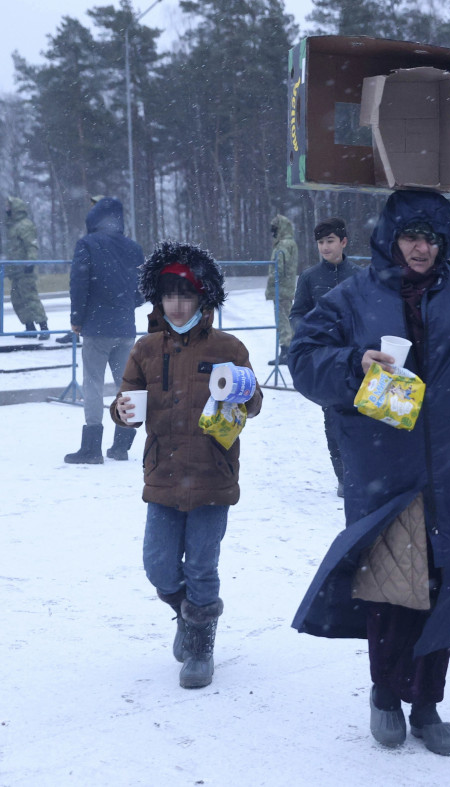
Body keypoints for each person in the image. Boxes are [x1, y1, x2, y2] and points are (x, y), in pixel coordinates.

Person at [288, 159, 450, 756]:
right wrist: (354, 366)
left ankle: (427, 704)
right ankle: (384, 695)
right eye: (410, 236)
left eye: (431, 237)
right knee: (392, 589)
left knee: (448, 584)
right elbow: (303, 359)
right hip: (386, 468)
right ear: (389, 238)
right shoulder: (352, 295)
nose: (421, 249)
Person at [110, 241, 263, 689]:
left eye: (186, 295)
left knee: (201, 565)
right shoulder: (144, 349)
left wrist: (241, 391)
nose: (176, 305)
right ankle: (188, 614)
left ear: (204, 298)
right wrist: (120, 412)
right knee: (158, 565)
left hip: (213, 474)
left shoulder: (228, 346)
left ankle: (200, 646)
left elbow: (254, 404)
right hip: (162, 474)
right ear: (157, 298)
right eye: (168, 295)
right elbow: (124, 401)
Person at [63, 197, 146, 464]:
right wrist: (125, 306)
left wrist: (78, 318)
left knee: (93, 384)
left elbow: (79, 283)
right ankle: (121, 447)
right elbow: (143, 289)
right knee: (126, 386)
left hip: (97, 328)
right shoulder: (133, 248)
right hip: (125, 327)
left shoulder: (87, 244)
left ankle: (91, 449)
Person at [290, 216, 361, 497]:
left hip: (357, 358)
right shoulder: (309, 278)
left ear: (343, 242)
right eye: (320, 242)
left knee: (362, 415)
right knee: (332, 417)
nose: (324, 247)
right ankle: (344, 477)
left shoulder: (359, 275)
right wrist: (308, 332)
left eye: (330, 241)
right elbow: (297, 313)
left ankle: (364, 473)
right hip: (326, 361)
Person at [4, 196, 49, 340]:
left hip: (25, 270)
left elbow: (31, 245)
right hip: (16, 271)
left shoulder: (24, 225)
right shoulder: (12, 226)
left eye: (9, 206)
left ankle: (44, 328)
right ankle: (30, 328)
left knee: (30, 298)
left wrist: (31, 262)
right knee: (17, 299)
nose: (7, 208)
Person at [266, 213, 299, 366]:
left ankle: (286, 351)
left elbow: (278, 267)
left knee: (282, 320)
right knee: (287, 317)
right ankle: (289, 351)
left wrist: (272, 282)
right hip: (287, 286)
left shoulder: (283, 245)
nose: (272, 232)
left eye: (274, 229)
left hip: (281, 288)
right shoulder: (290, 243)